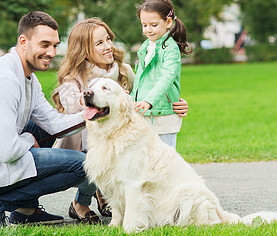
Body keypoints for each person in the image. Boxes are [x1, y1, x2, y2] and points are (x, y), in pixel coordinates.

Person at [0, 11, 93, 228]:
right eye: (44, 44)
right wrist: (27, 139)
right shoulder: (4, 80)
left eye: (55, 45)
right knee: (84, 166)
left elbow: (53, 124)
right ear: (23, 41)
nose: (51, 52)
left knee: (41, 127)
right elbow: (7, 152)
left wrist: (91, 113)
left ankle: (25, 210)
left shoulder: (28, 78)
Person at [51, 17, 189, 221]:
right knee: (95, 158)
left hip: (118, 137)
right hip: (84, 140)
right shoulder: (74, 79)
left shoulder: (123, 70)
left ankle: (112, 196)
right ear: (83, 50)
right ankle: (81, 202)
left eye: (108, 39)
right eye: (99, 43)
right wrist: (94, 98)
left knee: (128, 155)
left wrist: (174, 103)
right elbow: (73, 107)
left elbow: (145, 94)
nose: (108, 46)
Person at [131, 0, 192, 148]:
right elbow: (140, 79)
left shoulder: (170, 48)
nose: (148, 30)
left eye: (153, 25)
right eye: (144, 25)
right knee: (146, 159)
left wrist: (148, 101)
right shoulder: (146, 46)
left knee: (166, 159)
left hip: (163, 114)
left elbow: (167, 78)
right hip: (145, 114)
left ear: (168, 22)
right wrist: (132, 99)